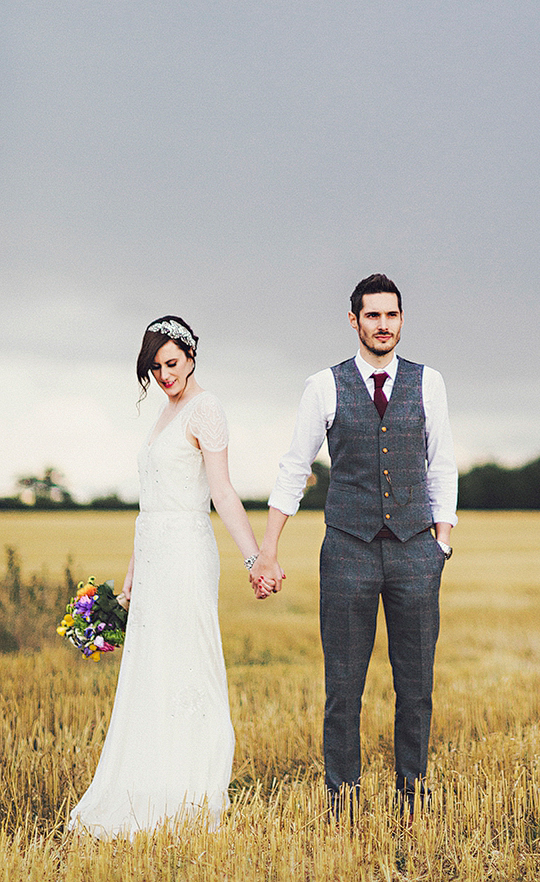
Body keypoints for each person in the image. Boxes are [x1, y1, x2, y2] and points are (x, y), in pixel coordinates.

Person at [251, 274, 458, 814]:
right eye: (373, 315)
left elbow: (443, 464)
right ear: (354, 321)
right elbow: (294, 468)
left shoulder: (428, 382)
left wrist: (442, 543)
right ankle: (343, 799)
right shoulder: (323, 385)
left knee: (416, 685)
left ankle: (413, 794)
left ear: (401, 319)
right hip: (347, 548)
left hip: (416, 550)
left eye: (391, 315)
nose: (383, 325)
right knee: (344, 686)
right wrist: (268, 549)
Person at [69, 316, 265, 837]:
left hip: (185, 552)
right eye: (155, 368)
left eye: (171, 363)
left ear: (192, 355)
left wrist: (254, 560)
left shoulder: (207, 409)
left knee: (189, 664)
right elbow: (148, 503)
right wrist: (131, 575)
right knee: (151, 669)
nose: (164, 375)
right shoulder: (163, 413)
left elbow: (222, 492)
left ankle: (192, 789)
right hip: (153, 554)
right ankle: (147, 783)